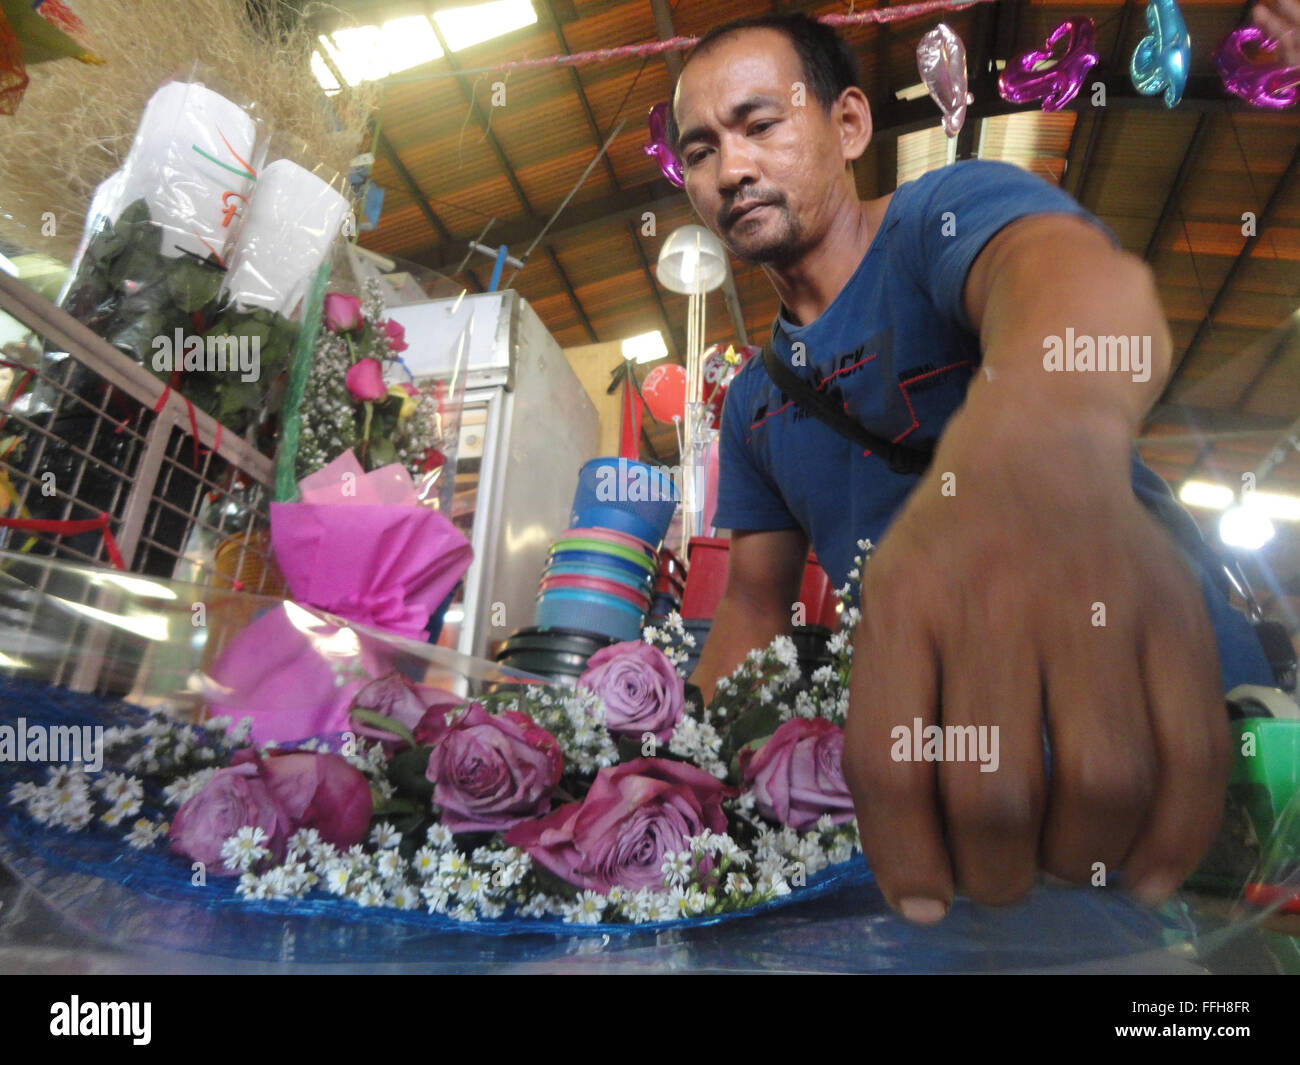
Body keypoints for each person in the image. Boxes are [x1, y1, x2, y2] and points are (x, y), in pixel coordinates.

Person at [669, 13, 1279, 925]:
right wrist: (681, 780)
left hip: (1192, 743)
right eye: (702, 150)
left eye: (761, 124)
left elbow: (1073, 288)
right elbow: (753, 607)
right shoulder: (755, 403)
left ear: (848, 126)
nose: (732, 168)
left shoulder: (938, 219)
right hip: (987, 806)